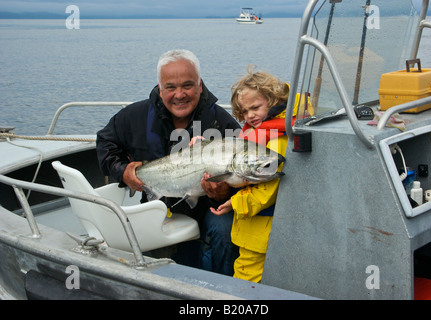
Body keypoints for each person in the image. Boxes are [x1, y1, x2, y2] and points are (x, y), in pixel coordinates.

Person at [96, 49, 240, 275]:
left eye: (188, 85)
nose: (179, 94)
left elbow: (244, 172)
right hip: (156, 205)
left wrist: (224, 192)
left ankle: (223, 288)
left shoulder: (222, 123)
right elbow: (105, 142)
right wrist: (122, 171)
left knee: (226, 227)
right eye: (171, 87)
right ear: (160, 88)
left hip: (208, 208)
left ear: (200, 85)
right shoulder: (135, 116)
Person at [210, 66, 301, 283]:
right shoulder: (264, 133)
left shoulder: (276, 140)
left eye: (256, 107)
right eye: (244, 112)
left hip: (260, 230)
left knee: (246, 281)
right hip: (256, 229)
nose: (250, 115)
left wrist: (235, 203)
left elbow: (267, 191)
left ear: (273, 100)